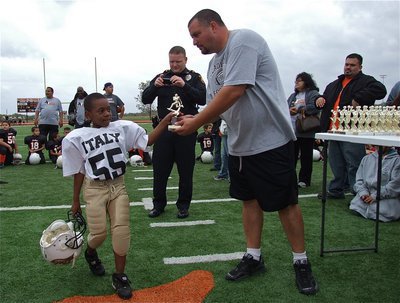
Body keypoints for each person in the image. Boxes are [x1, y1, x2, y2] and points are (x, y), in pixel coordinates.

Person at [176, 9, 318, 295]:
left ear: (213, 26)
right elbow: (218, 103)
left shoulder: (243, 41)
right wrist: (192, 120)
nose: (194, 42)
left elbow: (235, 90)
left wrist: (197, 123)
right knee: (248, 200)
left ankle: (301, 261)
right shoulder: (214, 64)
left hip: (270, 140)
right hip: (240, 144)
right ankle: (254, 256)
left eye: (196, 34)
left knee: (285, 203)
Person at [62, 92, 173, 300]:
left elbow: (147, 141)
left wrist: (165, 121)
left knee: (121, 231)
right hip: (94, 188)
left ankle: (120, 276)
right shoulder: (76, 136)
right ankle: (90, 252)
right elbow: (78, 170)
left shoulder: (122, 127)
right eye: (100, 110)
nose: (106, 114)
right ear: (88, 114)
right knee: (99, 234)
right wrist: (75, 200)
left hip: (118, 186)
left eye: (108, 109)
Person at [142, 45, 206, 219]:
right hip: (164, 131)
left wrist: (185, 86)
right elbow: (145, 98)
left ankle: (183, 206)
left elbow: (203, 98)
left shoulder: (194, 78)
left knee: (186, 171)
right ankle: (158, 205)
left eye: (178, 61)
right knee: (160, 170)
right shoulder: (162, 77)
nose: (175, 65)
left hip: (186, 129)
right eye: (172, 61)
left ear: (186, 60)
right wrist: (154, 87)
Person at [315, 54, 387, 199]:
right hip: (333, 130)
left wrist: (359, 97)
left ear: (360, 67)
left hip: (351, 130)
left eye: (352, 65)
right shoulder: (335, 84)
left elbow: (381, 90)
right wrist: (319, 99)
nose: (348, 67)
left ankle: (358, 194)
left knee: (354, 163)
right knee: (336, 163)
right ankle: (336, 189)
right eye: (347, 64)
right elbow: (324, 96)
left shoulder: (366, 81)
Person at [287, 72, 321, 188]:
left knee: (306, 157)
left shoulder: (313, 93)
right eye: (296, 81)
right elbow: (285, 107)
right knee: (291, 156)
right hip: (293, 131)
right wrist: (289, 110)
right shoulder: (293, 95)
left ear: (306, 82)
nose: (296, 83)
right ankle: (290, 178)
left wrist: (299, 109)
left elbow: (316, 107)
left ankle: (304, 180)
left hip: (306, 131)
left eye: (299, 81)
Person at [349, 146, 400, 222]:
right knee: (356, 206)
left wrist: (376, 196)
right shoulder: (367, 158)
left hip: (387, 201)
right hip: (362, 202)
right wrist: (363, 193)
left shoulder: (397, 161)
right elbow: (359, 180)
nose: (378, 146)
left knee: (382, 212)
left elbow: (395, 185)